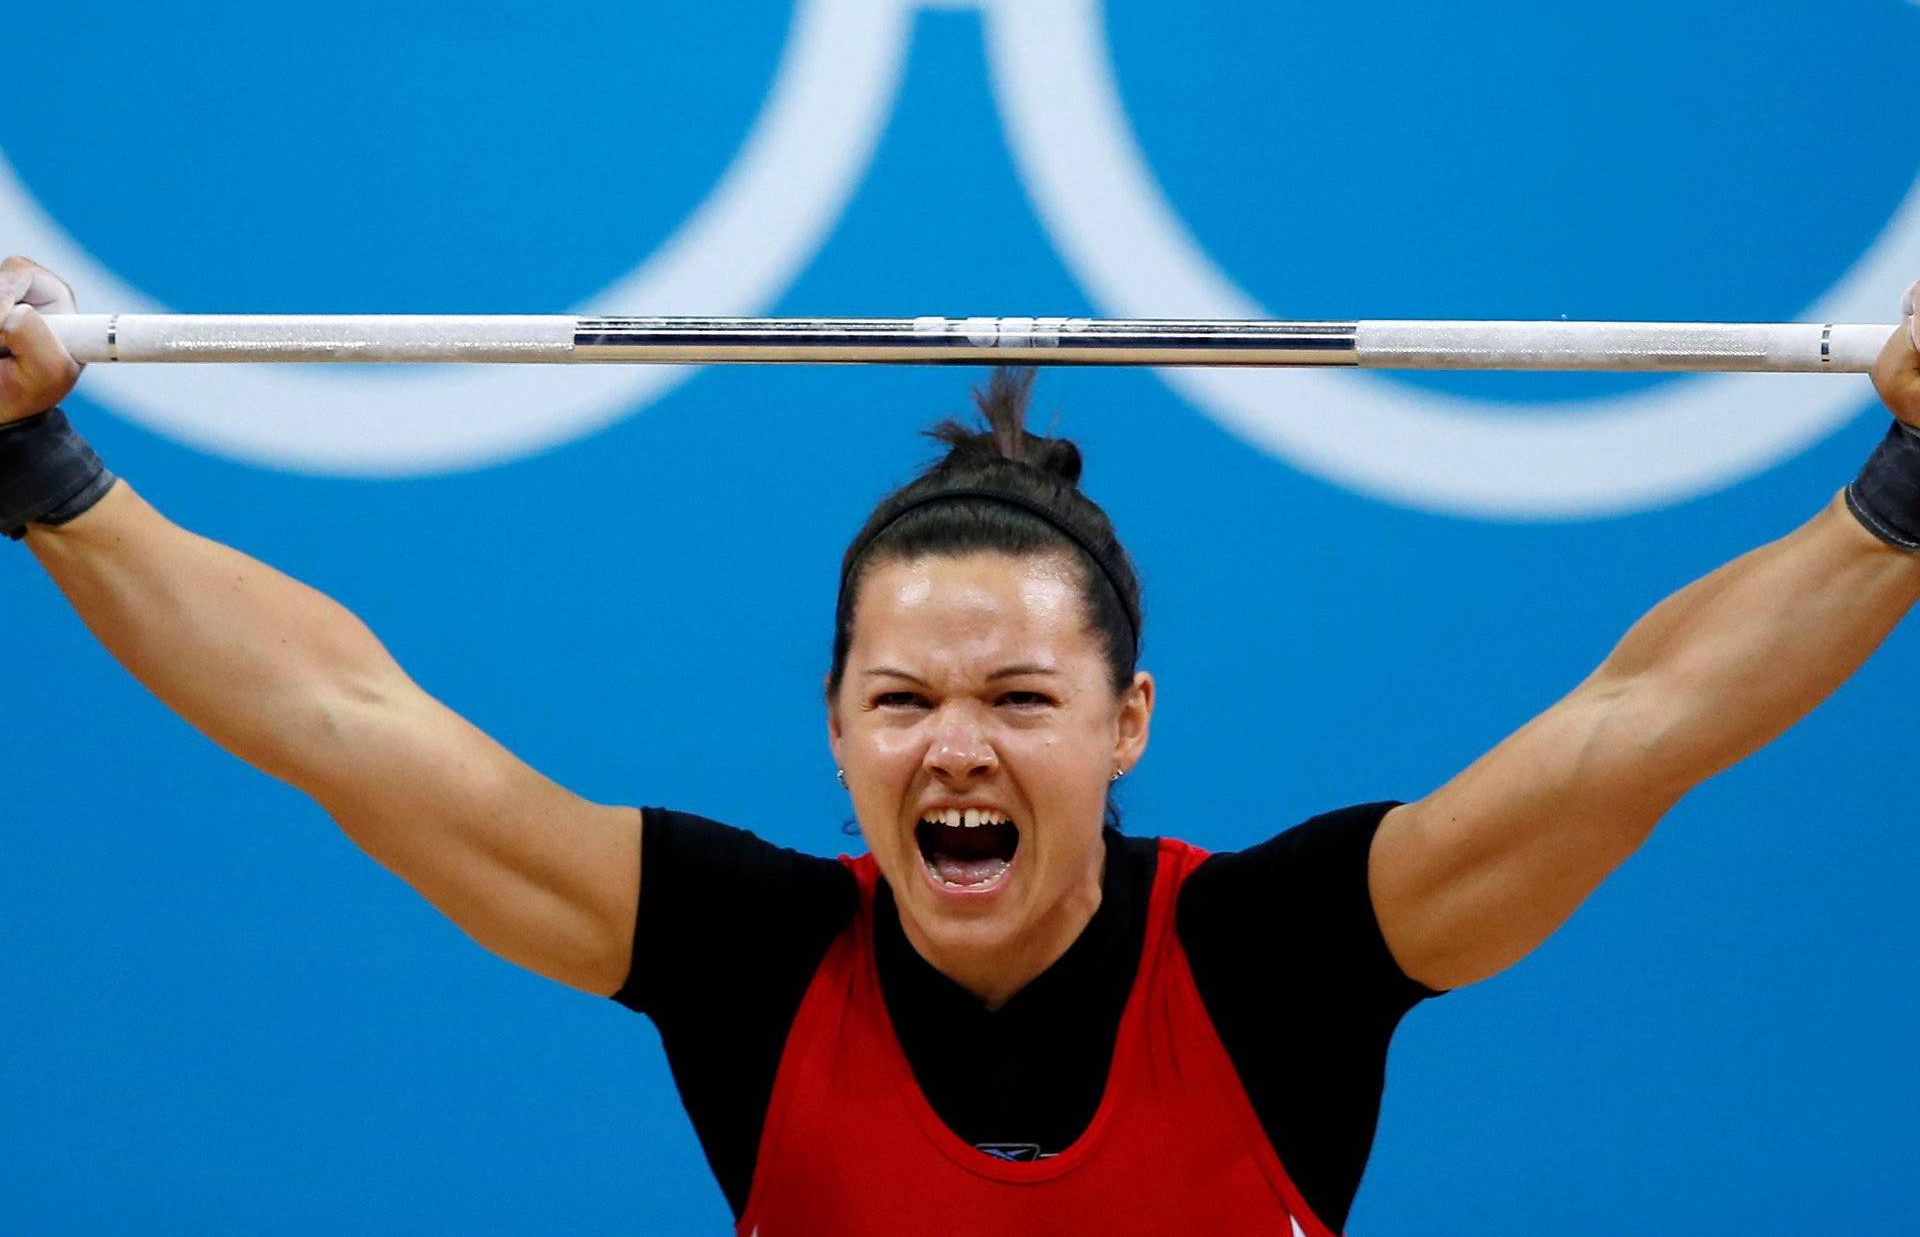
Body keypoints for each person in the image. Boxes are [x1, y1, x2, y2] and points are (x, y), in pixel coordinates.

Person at [4, 252, 1920, 1235]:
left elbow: (1646, 723)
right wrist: (39, 459)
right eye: (905, 702)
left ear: (1128, 726)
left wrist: (1905, 487)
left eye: (1020, 701)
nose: (956, 754)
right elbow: (340, 720)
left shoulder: (1284, 962)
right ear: (832, 729)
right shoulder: (747, 963)